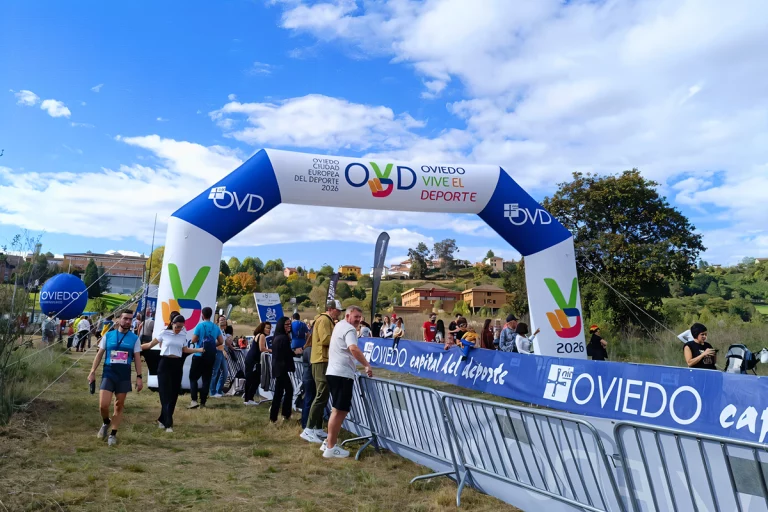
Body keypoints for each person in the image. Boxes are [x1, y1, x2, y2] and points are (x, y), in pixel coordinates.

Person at [322, 306, 373, 458]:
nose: (358, 320)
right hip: (341, 374)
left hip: (334, 372)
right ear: (348, 315)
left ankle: (328, 442)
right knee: (339, 411)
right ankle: (331, 447)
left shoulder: (339, 325)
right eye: (356, 316)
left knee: (337, 410)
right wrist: (366, 365)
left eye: (360, 317)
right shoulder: (349, 330)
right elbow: (354, 349)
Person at [87, 310, 143, 447]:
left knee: (119, 405)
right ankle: (106, 422)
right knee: (103, 405)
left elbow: (137, 359)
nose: (128, 322)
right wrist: (92, 371)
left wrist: (139, 377)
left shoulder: (134, 338)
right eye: (125, 319)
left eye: (130, 319)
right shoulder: (109, 335)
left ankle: (113, 434)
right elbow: (100, 354)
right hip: (109, 373)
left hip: (123, 375)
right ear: (118, 320)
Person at [146, 315, 203, 432]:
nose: (178, 329)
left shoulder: (183, 334)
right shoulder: (164, 333)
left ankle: (162, 419)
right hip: (164, 364)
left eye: (181, 327)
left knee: (174, 393)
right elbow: (150, 345)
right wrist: (135, 347)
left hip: (177, 364)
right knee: (164, 393)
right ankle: (168, 423)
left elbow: (185, 350)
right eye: (177, 327)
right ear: (172, 323)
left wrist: (199, 350)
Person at [302, 300, 342, 444]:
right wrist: (340, 337)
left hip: (321, 359)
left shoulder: (325, 319)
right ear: (331, 309)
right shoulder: (325, 320)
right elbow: (326, 339)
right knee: (321, 394)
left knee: (323, 395)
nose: (340, 313)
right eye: (338, 310)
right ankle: (308, 429)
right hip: (321, 360)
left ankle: (317, 427)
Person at [188, 307, 224, 409]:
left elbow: (194, 340)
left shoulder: (200, 326)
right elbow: (221, 341)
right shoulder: (215, 327)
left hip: (199, 355)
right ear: (211, 315)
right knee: (206, 379)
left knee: (193, 378)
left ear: (202, 315)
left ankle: (194, 400)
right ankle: (203, 402)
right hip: (210, 356)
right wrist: (213, 345)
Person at [269, 317, 296, 423]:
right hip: (281, 369)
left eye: (290, 324)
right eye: (286, 324)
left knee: (279, 393)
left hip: (279, 368)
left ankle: (274, 417)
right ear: (281, 325)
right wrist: (296, 352)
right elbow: (287, 353)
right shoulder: (282, 338)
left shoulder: (278, 337)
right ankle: (285, 414)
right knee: (288, 391)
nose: (289, 326)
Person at [243, 323, 271, 406]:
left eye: (270, 328)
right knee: (253, 379)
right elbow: (261, 348)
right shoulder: (261, 335)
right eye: (267, 328)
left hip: (253, 360)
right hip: (253, 360)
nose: (269, 330)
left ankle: (249, 398)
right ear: (262, 328)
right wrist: (270, 350)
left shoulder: (259, 335)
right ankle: (248, 399)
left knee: (254, 379)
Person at [210, 316, 231, 398]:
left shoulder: (223, 331)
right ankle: (212, 391)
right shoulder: (216, 330)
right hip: (217, 352)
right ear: (217, 321)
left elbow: (225, 342)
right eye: (221, 320)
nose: (223, 321)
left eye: (224, 320)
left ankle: (219, 390)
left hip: (222, 353)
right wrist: (223, 351)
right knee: (215, 372)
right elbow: (215, 342)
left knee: (225, 372)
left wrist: (231, 347)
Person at [300, 326, 315, 429]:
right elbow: (312, 363)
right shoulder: (309, 349)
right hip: (309, 377)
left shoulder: (306, 348)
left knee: (308, 400)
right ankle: (305, 424)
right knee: (308, 400)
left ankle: (306, 423)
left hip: (308, 377)